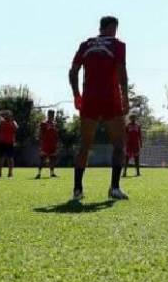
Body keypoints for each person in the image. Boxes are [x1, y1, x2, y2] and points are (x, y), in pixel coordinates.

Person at [69, 16, 130, 202]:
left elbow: (73, 71)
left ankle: (77, 190)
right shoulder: (117, 45)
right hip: (110, 99)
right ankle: (114, 188)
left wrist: (76, 94)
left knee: (85, 145)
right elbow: (121, 71)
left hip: (90, 99)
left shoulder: (86, 44)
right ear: (113, 28)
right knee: (119, 145)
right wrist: (125, 96)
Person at [0, 111, 18, 178]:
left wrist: (12, 121)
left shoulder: (13, 122)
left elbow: (16, 128)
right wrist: (2, 112)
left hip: (10, 143)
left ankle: (10, 173)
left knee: (10, 158)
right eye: (6, 115)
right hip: (1, 142)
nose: (7, 116)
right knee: (0, 158)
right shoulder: (1, 121)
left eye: (8, 115)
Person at [35, 111, 58, 179]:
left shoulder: (54, 124)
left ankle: (52, 173)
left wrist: (57, 144)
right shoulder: (43, 123)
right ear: (48, 115)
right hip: (45, 144)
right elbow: (40, 133)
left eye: (53, 115)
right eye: (51, 114)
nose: (52, 116)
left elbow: (56, 134)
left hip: (53, 144)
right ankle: (39, 173)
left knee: (52, 159)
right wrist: (40, 144)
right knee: (42, 159)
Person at [123, 113, 143, 178]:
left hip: (136, 144)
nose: (133, 119)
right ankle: (124, 172)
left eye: (134, 118)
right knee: (126, 159)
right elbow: (125, 135)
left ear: (135, 118)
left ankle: (138, 172)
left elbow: (139, 135)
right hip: (129, 144)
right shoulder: (127, 126)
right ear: (130, 119)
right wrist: (124, 143)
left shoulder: (138, 126)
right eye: (131, 118)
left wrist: (141, 143)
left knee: (136, 159)